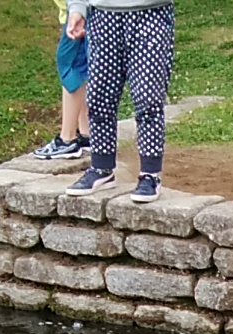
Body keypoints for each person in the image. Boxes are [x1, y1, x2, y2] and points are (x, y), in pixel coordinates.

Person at [64, 0, 177, 203]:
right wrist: (77, 8)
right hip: (102, 16)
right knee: (99, 97)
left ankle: (150, 175)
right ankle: (101, 168)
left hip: (151, 14)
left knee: (148, 97)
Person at [31, 0, 90, 160]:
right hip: (80, 12)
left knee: (70, 66)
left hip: (80, 14)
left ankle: (67, 139)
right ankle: (87, 134)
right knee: (82, 66)